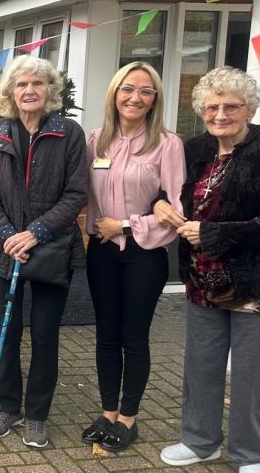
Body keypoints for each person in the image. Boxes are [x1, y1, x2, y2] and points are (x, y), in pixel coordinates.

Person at [152, 67, 260, 472]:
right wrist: (159, 205)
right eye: (212, 107)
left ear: (248, 108)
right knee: (201, 366)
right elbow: (166, 189)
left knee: (253, 377)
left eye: (231, 106)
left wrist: (215, 232)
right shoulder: (196, 148)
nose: (220, 114)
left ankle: (251, 454)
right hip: (204, 281)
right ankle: (200, 441)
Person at [0, 55, 87, 448]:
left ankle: (37, 414)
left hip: (52, 247)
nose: (29, 91)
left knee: (44, 334)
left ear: (50, 91)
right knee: (2, 334)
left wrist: (34, 232)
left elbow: (76, 194)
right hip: (1, 249)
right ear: (9, 92)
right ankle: (8, 406)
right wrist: (9, 234)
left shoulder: (69, 133)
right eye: (21, 85)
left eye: (37, 84)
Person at [80, 62, 184, 452]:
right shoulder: (96, 141)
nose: (135, 97)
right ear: (114, 93)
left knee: (133, 336)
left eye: (145, 91)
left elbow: (176, 208)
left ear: (154, 98)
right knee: (106, 334)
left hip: (144, 253)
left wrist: (123, 225)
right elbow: (82, 194)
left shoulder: (167, 144)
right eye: (128, 89)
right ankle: (108, 412)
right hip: (102, 253)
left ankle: (129, 418)